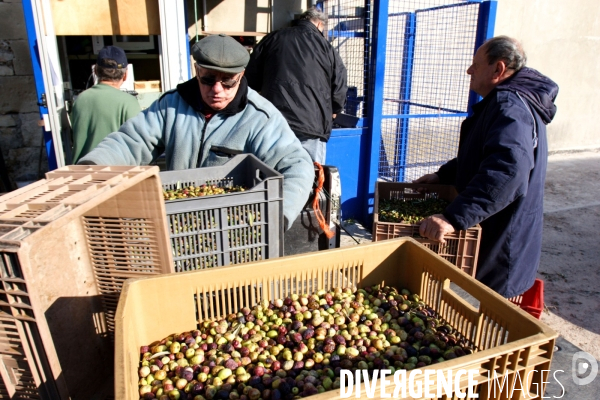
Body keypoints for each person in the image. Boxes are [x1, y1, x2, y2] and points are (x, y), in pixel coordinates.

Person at [78, 34, 314, 230]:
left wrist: (279, 216)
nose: (217, 90)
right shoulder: (170, 105)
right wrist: (89, 170)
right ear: (197, 70)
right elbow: (130, 142)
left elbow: (297, 165)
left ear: (241, 76)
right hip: (178, 226)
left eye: (228, 82)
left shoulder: (260, 117)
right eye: (208, 79)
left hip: (232, 230)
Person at [415, 36, 559, 298]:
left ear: (498, 70)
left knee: (491, 310)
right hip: (497, 229)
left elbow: (507, 172)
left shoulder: (509, 106)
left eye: (476, 65)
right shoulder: (507, 102)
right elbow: (486, 155)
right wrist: (443, 175)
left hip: (503, 237)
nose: (469, 71)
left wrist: (453, 218)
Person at [245, 7, 348, 164]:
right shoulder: (326, 47)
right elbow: (339, 83)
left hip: (274, 120)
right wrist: (335, 109)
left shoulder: (273, 38)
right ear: (320, 24)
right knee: (311, 174)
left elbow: (251, 77)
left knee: (272, 173)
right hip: (312, 123)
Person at [71, 46, 141, 164]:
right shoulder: (129, 102)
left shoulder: (80, 100)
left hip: (82, 174)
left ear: (95, 71)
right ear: (125, 75)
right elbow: (138, 144)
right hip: (114, 176)